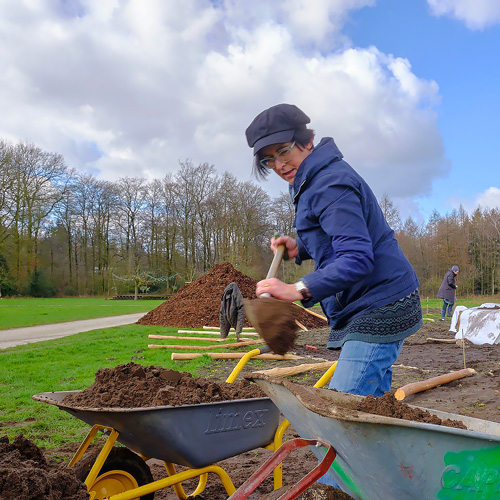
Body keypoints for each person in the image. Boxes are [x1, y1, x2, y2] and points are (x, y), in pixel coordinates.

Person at [245, 103, 423, 399]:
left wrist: (297, 289)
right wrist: (298, 248)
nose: (278, 165)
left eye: (284, 151)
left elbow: (356, 258)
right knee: (370, 405)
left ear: (307, 141)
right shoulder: (311, 179)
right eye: (268, 160)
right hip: (366, 302)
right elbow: (337, 235)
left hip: (380, 304)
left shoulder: (329, 183)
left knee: (340, 406)